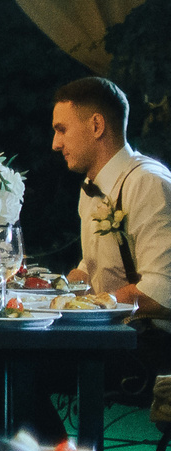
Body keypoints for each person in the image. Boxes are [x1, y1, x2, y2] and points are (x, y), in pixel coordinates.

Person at [52, 75, 171, 321]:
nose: (56, 143)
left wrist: (89, 303)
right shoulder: (91, 186)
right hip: (112, 335)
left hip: (148, 339)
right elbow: (96, 267)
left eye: (62, 130)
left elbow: (160, 293)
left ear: (97, 126)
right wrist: (49, 291)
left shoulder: (147, 184)